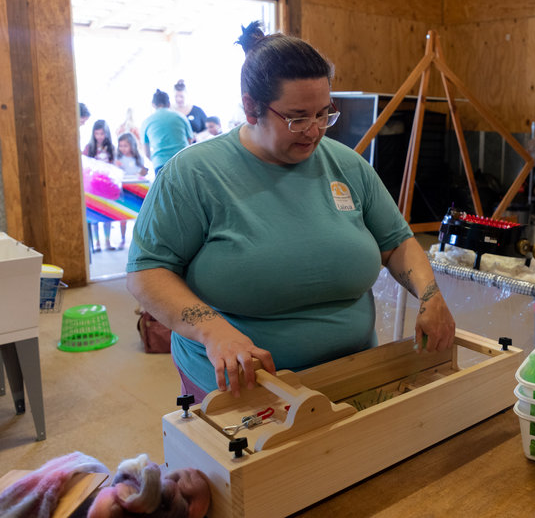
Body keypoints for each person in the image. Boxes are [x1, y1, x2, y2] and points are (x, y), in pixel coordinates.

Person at [126, 21, 455, 399]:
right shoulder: (193, 174)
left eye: (324, 114)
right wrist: (213, 331)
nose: (314, 131)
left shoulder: (347, 166)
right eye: (297, 117)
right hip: (245, 384)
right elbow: (147, 272)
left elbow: (396, 243)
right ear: (251, 108)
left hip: (352, 370)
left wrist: (430, 295)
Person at [82, 119, 118, 251]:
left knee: (107, 214)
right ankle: (97, 243)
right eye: (97, 134)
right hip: (93, 187)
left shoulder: (111, 148)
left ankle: (108, 241)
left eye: (102, 134)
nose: (99, 137)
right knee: (95, 215)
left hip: (107, 186)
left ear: (107, 133)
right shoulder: (89, 148)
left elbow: (115, 164)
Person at [140, 89, 192, 175]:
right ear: (169, 104)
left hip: (160, 163)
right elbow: (189, 141)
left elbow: (146, 152)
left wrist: (156, 160)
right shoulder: (181, 117)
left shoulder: (146, 122)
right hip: (183, 161)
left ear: (153, 105)